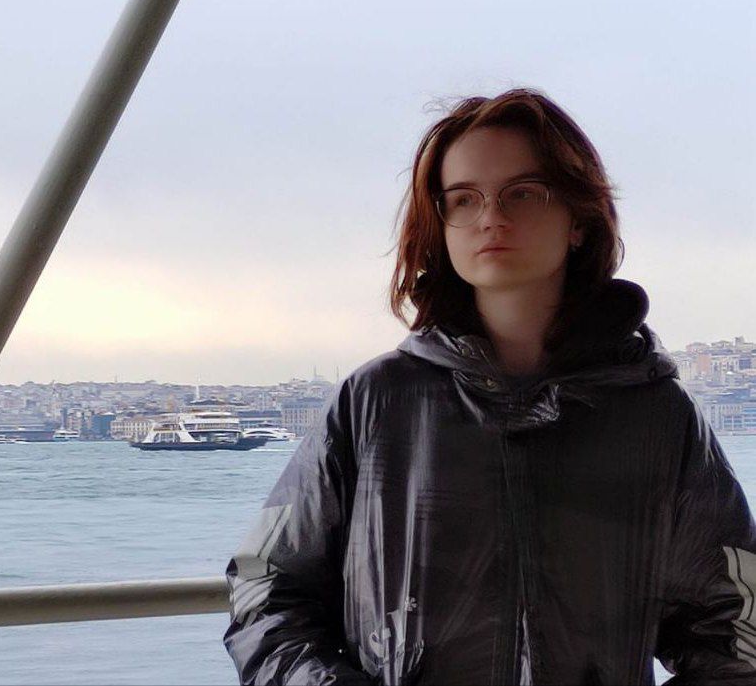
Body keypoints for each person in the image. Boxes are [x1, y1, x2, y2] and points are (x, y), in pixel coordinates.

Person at [223, 88, 756, 685]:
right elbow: (266, 590)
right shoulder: (377, 402)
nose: (490, 217)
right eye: (463, 198)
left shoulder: (654, 413)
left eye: (523, 193)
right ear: (440, 225)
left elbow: (736, 627)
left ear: (579, 220)